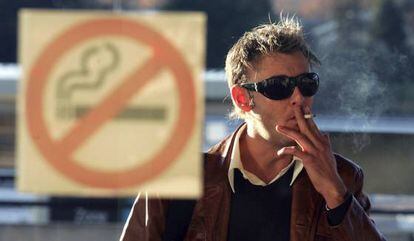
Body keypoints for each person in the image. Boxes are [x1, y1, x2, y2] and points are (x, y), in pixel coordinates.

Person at [120, 17, 386, 241]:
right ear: (242, 99)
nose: (298, 98)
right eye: (279, 86)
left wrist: (335, 194)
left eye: (306, 83)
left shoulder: (343, 177)